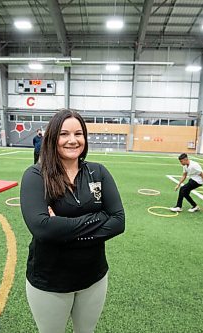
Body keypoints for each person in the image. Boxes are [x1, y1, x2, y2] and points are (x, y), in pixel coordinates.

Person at [20, 109, 125, 333]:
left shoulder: (98, 171)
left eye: (78, 133)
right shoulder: (36, 176)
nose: (72, 140)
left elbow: (118, 221)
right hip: (50, 280)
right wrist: (98, 219)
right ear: (52, 138)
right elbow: (43, 229)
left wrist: (62, 227)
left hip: (94, 277)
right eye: (64, 134)